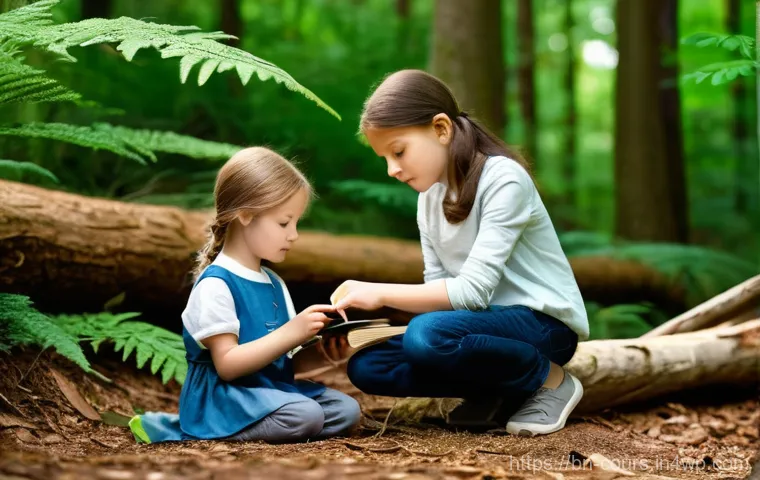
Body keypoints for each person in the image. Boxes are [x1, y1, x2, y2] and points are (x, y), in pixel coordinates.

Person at [331, 70, 590, 436]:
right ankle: (498, 392)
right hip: (479, 327)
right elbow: (441, 293)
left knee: (427, 335)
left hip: (543, 327)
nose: (392, 169)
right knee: (369, 365)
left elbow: (471, 293)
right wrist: (365, 320)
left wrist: (380, 292)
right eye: (384, 158)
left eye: (399, 151)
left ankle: (551, 380)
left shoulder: (503, 179)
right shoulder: (428, 201)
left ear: (441, 129)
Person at [129, 147, 361, 444]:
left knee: (347, 410)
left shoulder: (275, 284)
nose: (294, 235)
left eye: (296, 224)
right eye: (283, 223)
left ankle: (282, 425)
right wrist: (293, 331)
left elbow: (283, 363)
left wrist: (327, 353)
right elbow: (228, 366)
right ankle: (204, 431)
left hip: (270, 392)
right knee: (305, 416)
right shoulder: (216, 285)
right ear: (246, 215)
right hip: (224, 398)